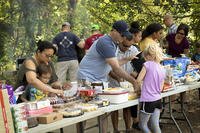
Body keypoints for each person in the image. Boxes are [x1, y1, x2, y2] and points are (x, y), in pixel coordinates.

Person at [77, 20, 138, 133]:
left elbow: (112, 63)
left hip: (99, 80)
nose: (124, 37)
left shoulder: (113, 43)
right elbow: (115, 68)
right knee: (84, 109)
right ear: (114, 31)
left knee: (104, 109)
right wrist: (133, 81)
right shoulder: (105, 42)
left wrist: (127, 59)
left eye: (125, 35)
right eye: (122, 34)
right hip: (87, 77)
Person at [108, 35, 138, 133]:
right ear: (120, 41)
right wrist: (118, 78)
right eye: (125, 46)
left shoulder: (134, 49)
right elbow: (108, 68)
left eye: (129, 46)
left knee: (127, 106)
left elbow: (139, 65)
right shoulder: (112, 50)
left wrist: (135, 73)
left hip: (128, 83)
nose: (127, 48)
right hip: (113, 83)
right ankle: (115, 130)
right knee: (114, 108)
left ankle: (128, 128)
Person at [137, 44, 165, 133]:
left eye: (145, 56)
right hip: (158, 99)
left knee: (142, 125)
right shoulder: (162, 67)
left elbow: (138, 80)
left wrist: (139, 89)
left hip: (148, 99)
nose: (144, 58)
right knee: (155, 124)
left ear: (149, 56)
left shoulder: (147, 65)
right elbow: (161, 88)